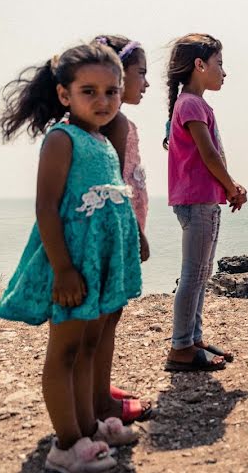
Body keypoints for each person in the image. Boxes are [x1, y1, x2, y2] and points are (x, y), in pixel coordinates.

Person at [0, 42, 142, 472]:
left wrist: (135, 240)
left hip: (99, 261)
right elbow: (46, 208)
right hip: (74, 263)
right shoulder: (61, 139)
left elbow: (112, 199)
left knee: (89, 344)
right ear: (64, 95)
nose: (103, 100)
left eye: (111, 91)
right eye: (89, 91)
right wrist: (63, 269)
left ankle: (89, 427)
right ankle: (66, 445)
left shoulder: (103, 138)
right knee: (66, 351)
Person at [162, 33, 247, 372]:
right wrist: (232, 185)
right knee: (193, 274)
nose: (224, 72)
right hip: (198, 200)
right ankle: (181, 347)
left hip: (201, 200)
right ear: (199, 65)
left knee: (201, 273)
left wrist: (226, 188)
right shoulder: (193, 105)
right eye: (220, 64)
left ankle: (193, 339)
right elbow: (208, 154)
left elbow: (209, 156)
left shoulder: (191, 103)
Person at [95, 35, 155, 424]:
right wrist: (137, 232)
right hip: (117, 229)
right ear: (119, 74)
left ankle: (99, 386)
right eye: (141, 74)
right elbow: (112, 183)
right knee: (107, 313)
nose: (146, 83)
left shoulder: (119, 120)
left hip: (121, 228)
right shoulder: (116, 122)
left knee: (110, 313)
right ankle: (99, 399)